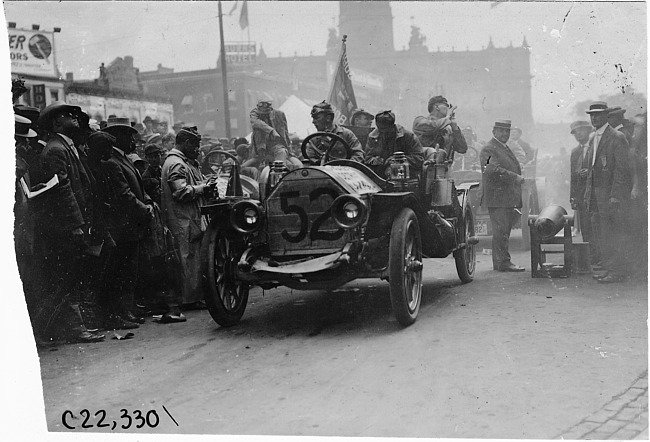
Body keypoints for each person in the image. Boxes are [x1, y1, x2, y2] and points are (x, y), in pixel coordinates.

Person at [32, 102, 105, 343]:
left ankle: (64, 328)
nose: (74, 117)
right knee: (65, 279)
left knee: (67, 279)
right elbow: (63, 191)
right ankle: (61, 329)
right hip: (64, 226)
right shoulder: (56, 149)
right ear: (55, 123)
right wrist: (77, 223)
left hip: (72, 223)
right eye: (66, 115)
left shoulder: (64, 146)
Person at [102, 117, 154, 324]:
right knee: (122, 271)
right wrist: (145, 209)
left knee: (129, 270)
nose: (133, 140)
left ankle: (127, 310)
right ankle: (120, 314)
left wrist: (147, 202)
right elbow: (124, 195)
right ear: (117, 138)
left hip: (132, 225)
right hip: (122, 226)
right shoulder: (112, 162)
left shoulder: (123, 159)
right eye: (128, 135)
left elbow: (139, 188)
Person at [161, 126, 217, 311]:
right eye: (196, 145)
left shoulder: (181, 161)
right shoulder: (177, 163)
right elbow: (180, 192)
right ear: (186, 143)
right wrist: (203, 188)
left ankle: (192, 296)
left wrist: (202, 183)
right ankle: (190, 299)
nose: (198, 149)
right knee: (189, 259)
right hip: (183, 220)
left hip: (186, 218)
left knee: (191, 258)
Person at [583, 102, 632, 283]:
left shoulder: (616, 137)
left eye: (598, 115)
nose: (594, 118)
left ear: (606, 115)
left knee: (613, 232)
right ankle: (610, 268)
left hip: (610, 195)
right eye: (591, 115)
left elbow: (621, 170)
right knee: (603, 233)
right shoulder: (593, 137)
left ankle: (617, 271)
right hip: (597, 195)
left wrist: (615, 195)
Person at [479, 119, 526, 272]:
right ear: (494, 132)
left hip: (504, 197)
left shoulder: (502, 147)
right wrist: (515, 177)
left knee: (503, 230)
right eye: (501, 131)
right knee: (501, 231)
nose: (505, 134)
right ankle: (503, 263)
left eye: (507, 131)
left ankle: (501, 262)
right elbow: (491, 170)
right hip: (497, 198)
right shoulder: (488, 149)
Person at [569, 120, 599, 266]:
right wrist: (572, 197)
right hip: (581, 196)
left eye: (581, 130)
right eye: (575, 132)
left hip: (596, 194)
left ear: (588, 131)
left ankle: (600, 256)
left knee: (597, 226)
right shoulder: (575, 152)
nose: (578, 134)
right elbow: (572, 176)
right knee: (585, 227)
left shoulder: (596, 147)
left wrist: (589, 173)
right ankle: (591, 257)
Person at [364, 110, 424, 179]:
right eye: (381, 130)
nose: (383, 134)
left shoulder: (407, 136)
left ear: (393, 126)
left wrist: (397, 160)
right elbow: (368, 159)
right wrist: (380, 161)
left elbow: (419, 158)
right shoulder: (373, 137)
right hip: (380, 175)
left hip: (405, 175)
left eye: (386, 131)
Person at [244, 99, 290, 171]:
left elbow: (285, 132)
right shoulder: (254, 113)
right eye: (261, 112)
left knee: (282, 153)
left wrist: (289, 148)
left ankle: (280, 175)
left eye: (265, 112)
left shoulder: (279, 114)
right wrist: (271, 131)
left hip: (276, 145)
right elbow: (256, 123)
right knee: (255, 167)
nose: (263, 114)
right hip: (260, 147)